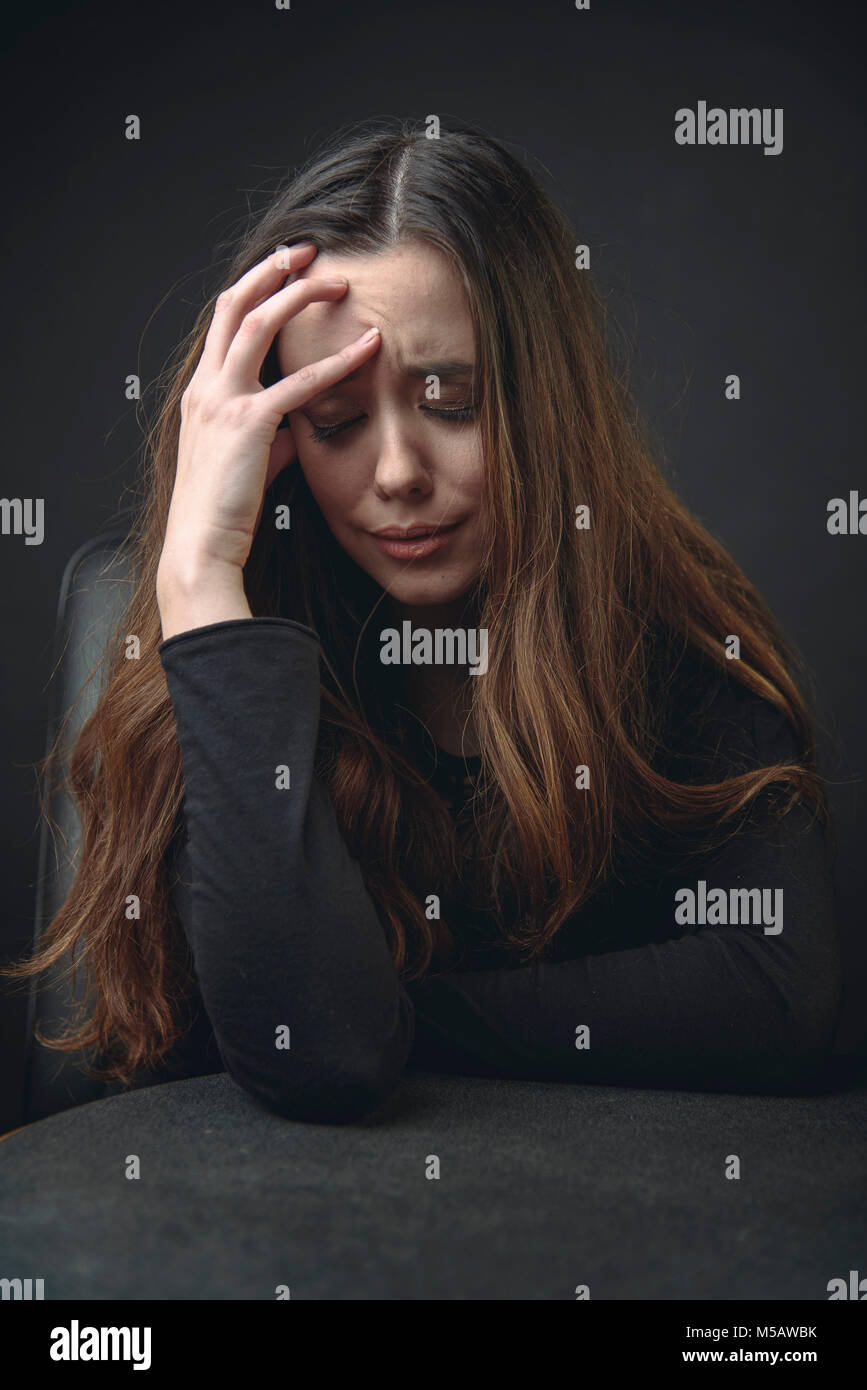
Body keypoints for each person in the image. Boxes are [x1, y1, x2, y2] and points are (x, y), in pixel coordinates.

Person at [4, 117, 843, 1123]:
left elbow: (777, 990)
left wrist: (393, 1018)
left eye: (451, 402)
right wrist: (198, 579)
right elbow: (310, 1051)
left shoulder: (666, 623)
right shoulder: (218, 640)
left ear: (542, 404)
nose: (397, 473)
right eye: (337, 421)